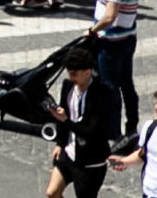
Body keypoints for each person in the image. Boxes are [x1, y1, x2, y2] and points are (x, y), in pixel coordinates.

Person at [49, 47, 128, 198]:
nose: (71, 78)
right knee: (52, 192)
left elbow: (92, 131)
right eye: (69, 73)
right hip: (69, 153)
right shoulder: (68, 86)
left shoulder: (102, 94)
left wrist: (66, 120)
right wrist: (60, 142)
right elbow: (63, 115)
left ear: (88, 72)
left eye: (74, 74)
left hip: (90, 160)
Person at [93, 0, 145, 133]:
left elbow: (110, 16)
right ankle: (131, 126)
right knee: (127, 85)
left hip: (111, 42)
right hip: (128, 37)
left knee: (110, 89)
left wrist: (92, 30)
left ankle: (113, 132)